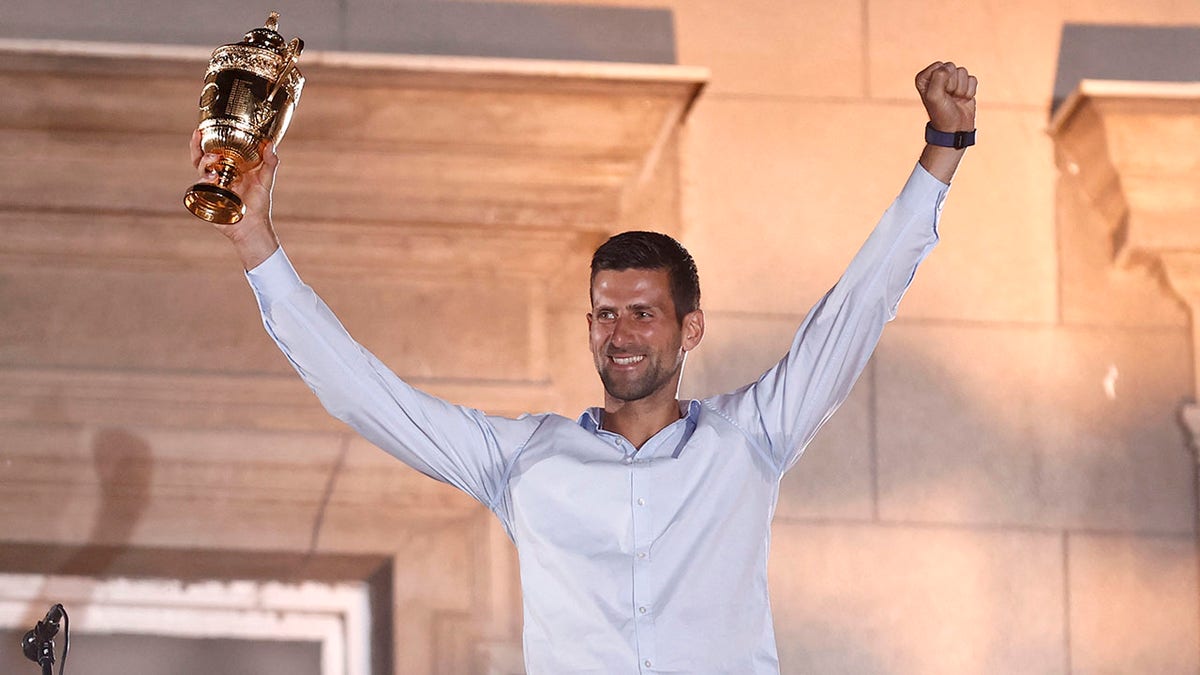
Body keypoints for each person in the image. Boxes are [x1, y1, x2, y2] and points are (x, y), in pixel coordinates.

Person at [192, 61, 977, 673]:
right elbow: (366, 395)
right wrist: (257, 243)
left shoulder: (751, 438)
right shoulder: (523, 460)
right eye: (606, 312)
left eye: (643, 312)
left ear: (688, 327)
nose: (621, 332)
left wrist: (941, 152)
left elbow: (856, 310)